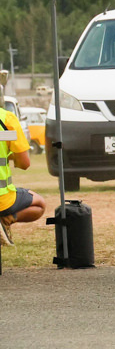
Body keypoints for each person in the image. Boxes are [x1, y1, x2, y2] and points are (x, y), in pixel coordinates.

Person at [0, 104, 47, 246]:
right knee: (39, 204)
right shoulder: (6, 119)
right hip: (2, 198)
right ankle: (5, 220)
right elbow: (24, 163)